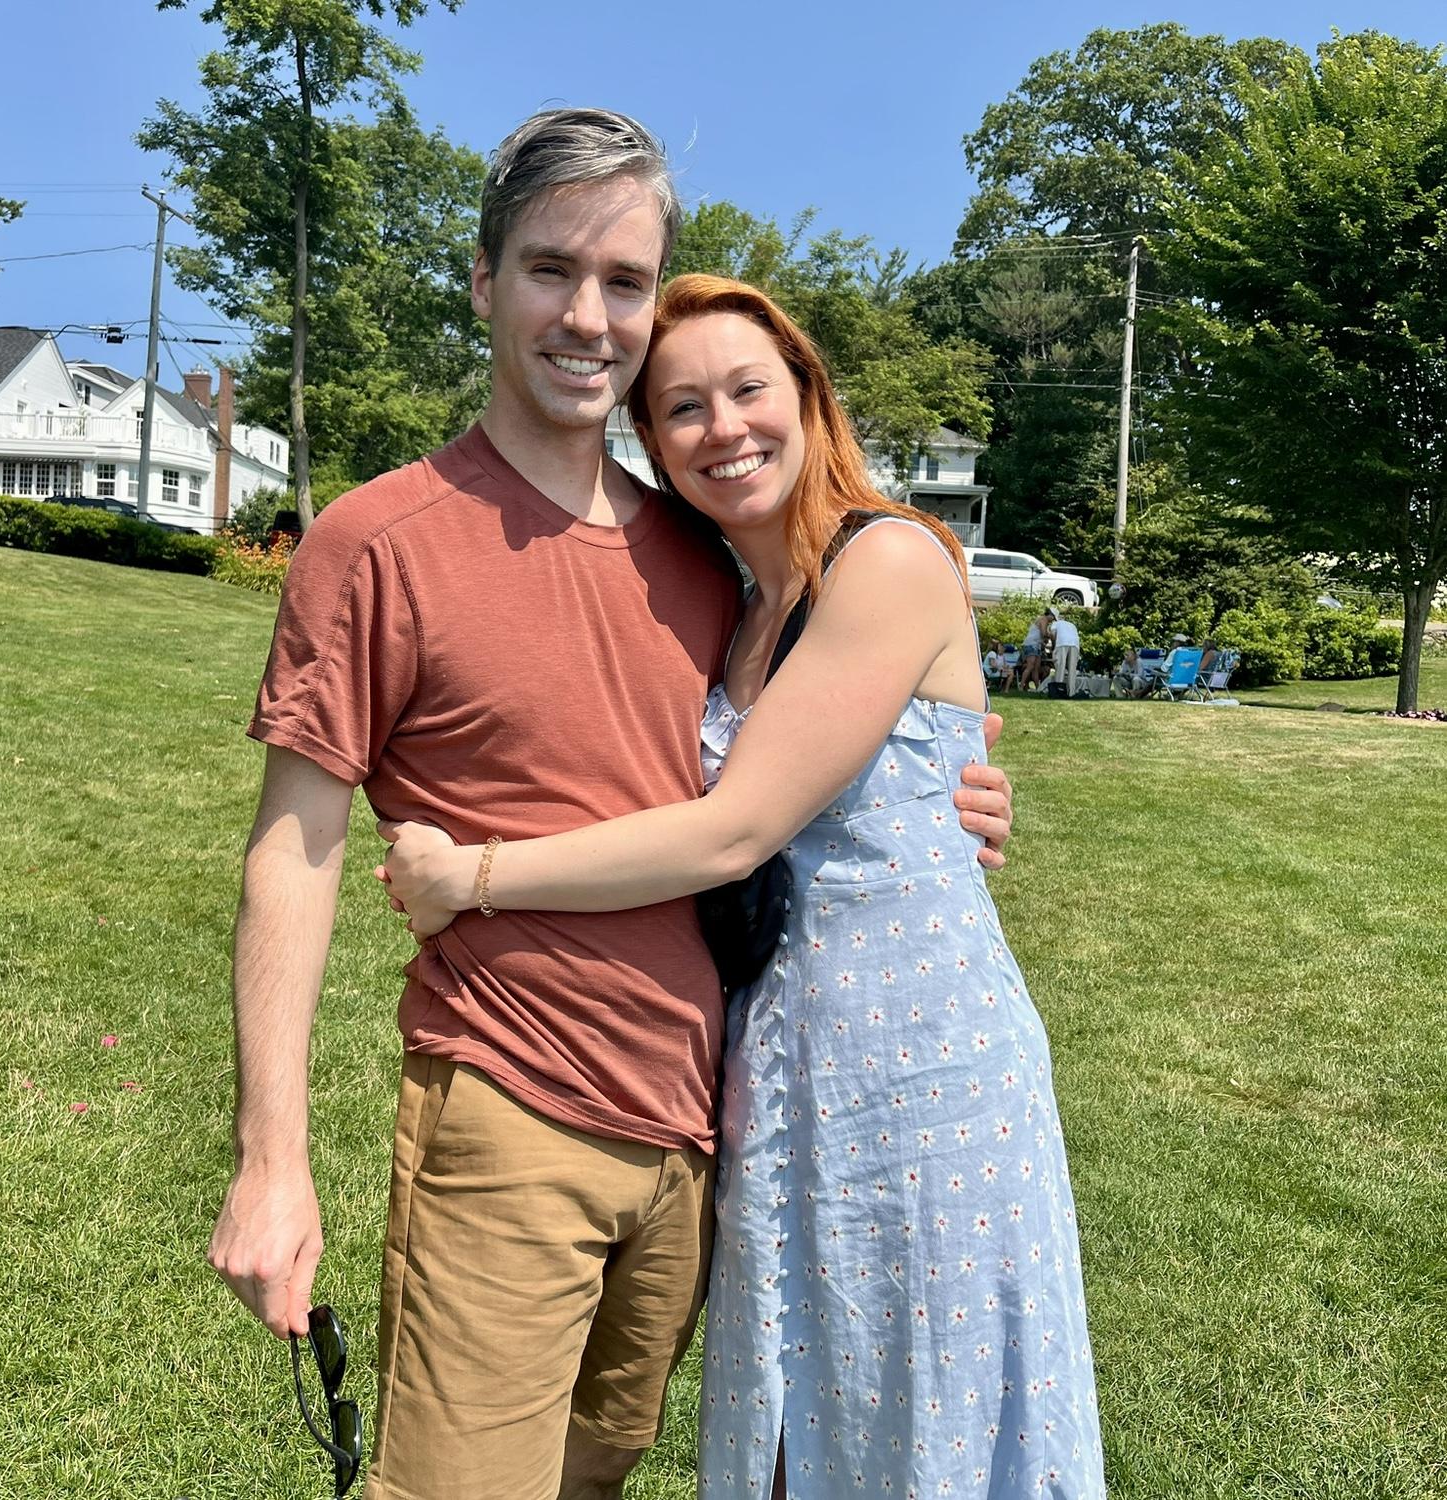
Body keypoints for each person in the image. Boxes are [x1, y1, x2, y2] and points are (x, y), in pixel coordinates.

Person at [207, 109, 1015, 1500]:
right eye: (550, 270)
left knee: (597, 1479)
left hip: (702, 1133)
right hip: (508, 1109)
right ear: (483, 282)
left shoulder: (701, 554)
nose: (588, 317)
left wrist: (953, 795)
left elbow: (799, 763)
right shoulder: (378, 540)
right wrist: (269, 1161)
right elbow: (296, 850)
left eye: (624, 281)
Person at [381, 276, 1105, 1499]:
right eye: (682, 408)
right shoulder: (735, 608)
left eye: (748, 389)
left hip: (923, 1065)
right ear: (653, 442)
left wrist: (476, 874)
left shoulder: (891, 559)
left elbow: (736, 830)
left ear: (807, 395)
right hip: (779, 1065)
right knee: (800, 1414)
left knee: (922, 1403)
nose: (724, 428)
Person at [1051, 610, 1081, 693]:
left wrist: (1053, 647)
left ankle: (1059, 690)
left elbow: (1053, 635)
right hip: (1075, 644)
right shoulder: (1072, 625)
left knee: (1060, 667)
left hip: (1062, 643)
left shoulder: (1055, 623)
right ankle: (1071, 692)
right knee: (1072, 669)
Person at [1017, 612, 1047, 690]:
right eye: (1053, 618)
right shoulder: (1043, 619)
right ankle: (1021, 686)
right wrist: (1051, 635)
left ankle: (1038, 688)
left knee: (1036, 668)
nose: (1053, 620)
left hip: (1037, 646)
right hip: (1031, 645)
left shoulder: (1040, 621)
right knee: (1030, 666)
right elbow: (1044, 633)